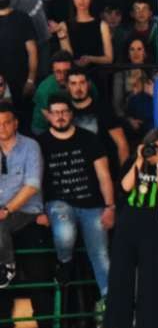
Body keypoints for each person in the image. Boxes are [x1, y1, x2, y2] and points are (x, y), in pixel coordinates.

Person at [102, 128, 158, 328]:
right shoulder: (132, 163)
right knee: (120, 277)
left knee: (150, 280)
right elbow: (125, 187)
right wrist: (139, 160)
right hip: (127, 224)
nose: (155, 151)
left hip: (151, 225)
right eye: (153, 147)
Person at [39, 92, 112, 299]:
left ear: (71, 114)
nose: (60, 116)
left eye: (64, 112)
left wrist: (110, 206)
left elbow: (104, 175)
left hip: (92, 204)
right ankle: (65, 263)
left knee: (101, 254)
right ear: (48, 115)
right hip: (58, 203)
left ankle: (110, 302)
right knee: (65, 234)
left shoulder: (89, 138)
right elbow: (35, 180)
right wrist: (39, 210)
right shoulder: (40, 143)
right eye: (55, 113)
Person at [0, 101, 40, 288]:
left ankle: (7, 267)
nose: (2, 128)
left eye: (6, 123)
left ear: (15, 123)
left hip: (25, 208)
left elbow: (32, 186)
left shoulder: (30, 146)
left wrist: (7, 210)